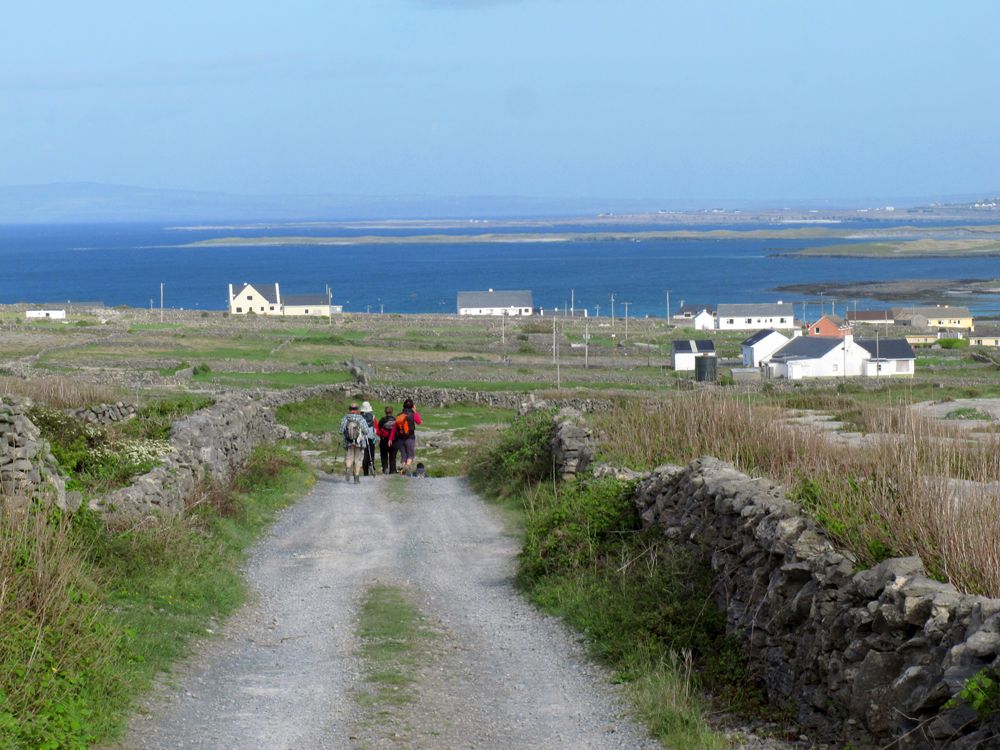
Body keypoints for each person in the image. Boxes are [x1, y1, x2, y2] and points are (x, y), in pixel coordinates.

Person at [338, 404, 373, 484]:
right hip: (359, 442)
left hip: (348, 442)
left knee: (349, 457)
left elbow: (340, 431)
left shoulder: (345, 418)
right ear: (357, 410)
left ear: (349, 409)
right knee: (358, 460)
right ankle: (356, 478)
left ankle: (348, 468)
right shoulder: (361, 418)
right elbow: (366, 431)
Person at [389, 397, 422, 474]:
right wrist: (415, 411)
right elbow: (419, 422)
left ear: (404, 406)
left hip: (400, 439)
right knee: (410, 455)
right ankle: (406, 468)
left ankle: (402, 472)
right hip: (410, 438)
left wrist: (390, 439)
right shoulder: (412, 415)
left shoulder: (399, 415)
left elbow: (394, 428)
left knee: (403, 456)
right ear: (412, 406)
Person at [376, 405, 398, 475]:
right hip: (394, 441)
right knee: (393, 457)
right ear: (392, 412)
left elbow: (378, 431)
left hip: (384, 441)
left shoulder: (382, 420)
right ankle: (393, 471)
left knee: (384, 456)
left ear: (385, 412)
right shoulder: (395, 420)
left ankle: (385, 468)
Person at [360, 401, 378, 476]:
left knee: (365, 454)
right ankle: (371, 464)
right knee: (371, 453)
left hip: (363, 437)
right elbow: (376, 427)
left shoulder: (360, 417)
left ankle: (365, 472)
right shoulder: (373, 417)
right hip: (372, 437)